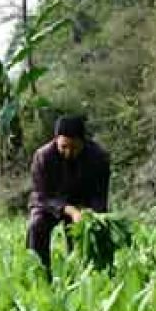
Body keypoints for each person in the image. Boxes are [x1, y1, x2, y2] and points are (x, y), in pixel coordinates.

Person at [27, 115, 111, 278]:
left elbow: (100, 194)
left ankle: (89, 274)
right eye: (63, 146)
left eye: (74, 147)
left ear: (83, 142)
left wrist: (90, 214)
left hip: (83, 203)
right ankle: (40, 274)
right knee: (36, 226)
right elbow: (42, 194)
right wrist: (69, 210)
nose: (68, 152)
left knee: (90, 233)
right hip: (50, 203)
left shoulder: (98, 157)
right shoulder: (43, 156)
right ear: (56, 140)